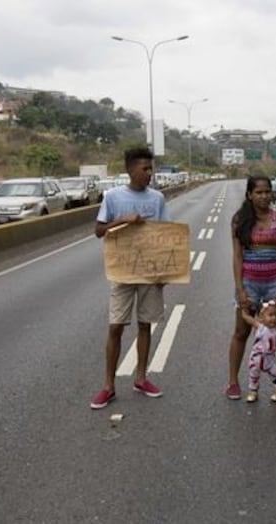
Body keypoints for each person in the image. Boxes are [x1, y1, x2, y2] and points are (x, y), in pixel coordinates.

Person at [90, 147, 169, 410]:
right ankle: (108, 386)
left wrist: (165, 272)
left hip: (149, 271)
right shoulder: (112, 197)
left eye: (150, 168)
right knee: (116, 326)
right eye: (144, 168)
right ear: (129, 170)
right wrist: (122, 220)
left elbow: (165, 234)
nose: (149, 173)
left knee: (145, 324)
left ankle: (141, 378)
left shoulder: (157, 198)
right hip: (121, 271)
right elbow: (99, 231)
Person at [225, 175, 276, 403]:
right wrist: (240, 289)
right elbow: (237, 256)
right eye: (259, 192)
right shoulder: (239, 220)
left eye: (267, 191)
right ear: (249, 194)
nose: (264, 196)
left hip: (275, 284)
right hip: (249, 284)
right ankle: (233, 382)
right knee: (241, 332)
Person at [240, 298, 276, 403]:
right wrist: (244, 311)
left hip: (270, 359)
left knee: (274, 374)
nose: (274, 318)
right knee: (253, 374)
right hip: (256, 357)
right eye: (270, 315)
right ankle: (253, 391)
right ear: (261, 318)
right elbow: (249, 319)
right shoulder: (260, 327)